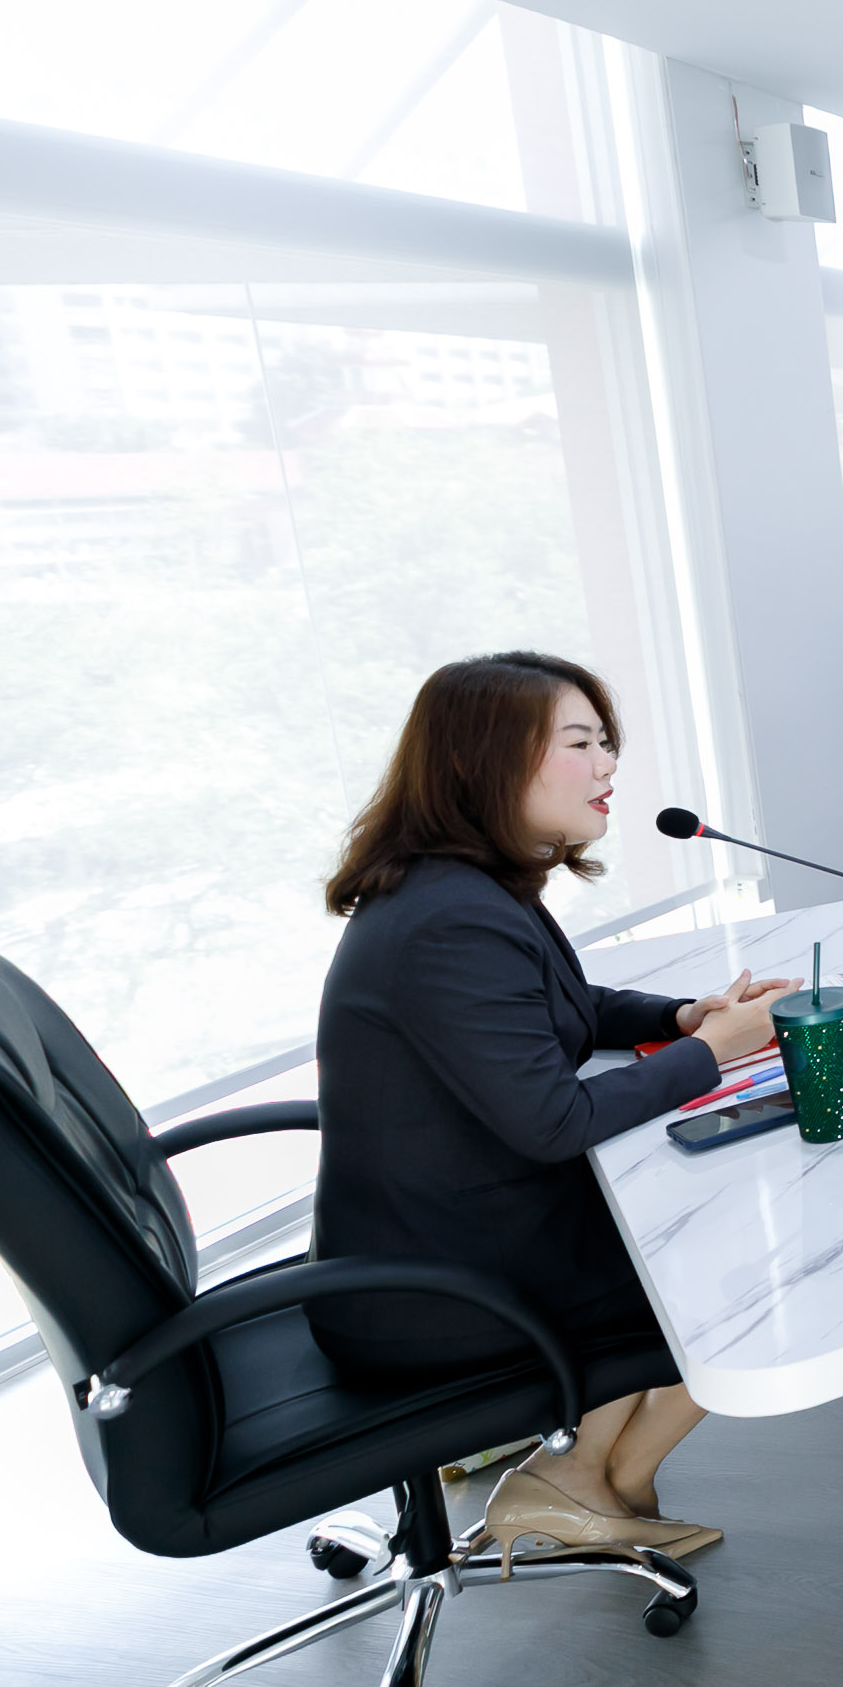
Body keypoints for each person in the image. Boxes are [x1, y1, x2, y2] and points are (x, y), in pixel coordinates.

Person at [312, 652, 796, 1564]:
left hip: (439, 1233)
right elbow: (554, 1121)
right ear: (481, 764)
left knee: (706, 1213)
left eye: (606, 742)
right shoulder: (451, 919)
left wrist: (682, 1018)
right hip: (434, 1291)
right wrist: (715, 1051)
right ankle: (579, 1483)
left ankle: (592, 1485)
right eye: (581, 744)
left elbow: (558, 1003)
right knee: (743, 1254)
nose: (609, 764)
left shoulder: (458, 887)